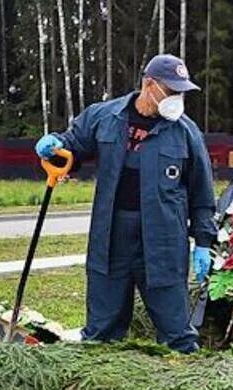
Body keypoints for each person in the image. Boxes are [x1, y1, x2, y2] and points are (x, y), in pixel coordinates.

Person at [34, 53, 216, 353]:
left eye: (181, 92)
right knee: (100, 334)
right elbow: (72, 145)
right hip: (111, 238)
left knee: (178, 336)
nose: (177, 99)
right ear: (149, 85)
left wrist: (205, 240)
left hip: (163, 243)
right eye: (171, 91)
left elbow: (202, 193)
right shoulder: (104, 116)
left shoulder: (186, 133)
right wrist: (54, 145)